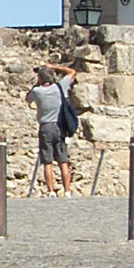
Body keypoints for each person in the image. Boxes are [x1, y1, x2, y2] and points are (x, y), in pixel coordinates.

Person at [27, 62, 79, 195]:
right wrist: (53, 67)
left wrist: (38, 82)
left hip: (45, 126)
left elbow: (28, 99)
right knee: (63, 161)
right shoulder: (59, 87)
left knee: (47, 162)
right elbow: (71, 72)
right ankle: (67, 191)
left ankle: (51, 191)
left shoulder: (37, 91)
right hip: (60, 126)